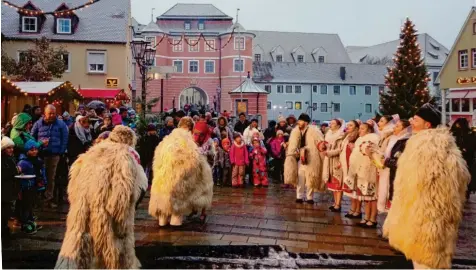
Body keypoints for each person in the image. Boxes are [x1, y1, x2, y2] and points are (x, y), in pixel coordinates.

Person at [383, 104, 470, 269]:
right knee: (424, 259)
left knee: (426, 261)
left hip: (426, 216)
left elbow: (425, 181)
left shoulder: (429, 146)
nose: (411, 122)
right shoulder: (429, 143)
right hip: (424, 215)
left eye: (415, 119)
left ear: (427, 124)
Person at [55, 126, 147, 269]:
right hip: (106, 218)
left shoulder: (89, 154)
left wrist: (78, 205)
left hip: (81, 213)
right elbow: (121, 197)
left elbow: (72, 188)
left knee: (79, 252)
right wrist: (121, 226)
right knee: (106, 257)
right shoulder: (124, 158)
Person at [149, 120, 213, 227]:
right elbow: (195, 162)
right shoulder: (189, 143)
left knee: (163, 200)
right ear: (190, 129)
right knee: (177, 203)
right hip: (180, 179)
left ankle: (162, 221)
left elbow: (156, 161)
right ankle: (175, 222)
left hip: (163, 178)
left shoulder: (165, 141)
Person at [31, 105, 68, 208]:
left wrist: (60, 151)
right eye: (50, 113)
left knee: (51, 177)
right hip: (40, 154)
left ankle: (49, 198)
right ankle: (39, 198)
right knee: (40, 176)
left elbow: (64, 139)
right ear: (45, 113)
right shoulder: (38, 123)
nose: (52, 115)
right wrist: (38, 145)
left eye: (53, 113)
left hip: (54, 154)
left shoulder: (61, 124)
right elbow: (32, 136)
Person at [344, 123, 379, 228]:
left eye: (362, 129)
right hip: (360, 170)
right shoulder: (360, 139)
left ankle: (372, 218)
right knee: (365, 197)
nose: (360, 130)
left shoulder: (374, 138)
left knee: (371, 197)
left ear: (369, 130)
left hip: (369, 170)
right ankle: (366, 217)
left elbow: (373, 154)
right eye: (360, 128)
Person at [285, 113, 325, 204]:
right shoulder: (296, 131)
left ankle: (309, 197)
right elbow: (294, 143)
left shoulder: (314, 131)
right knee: (300, 177)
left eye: (300, 121)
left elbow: (320, 142)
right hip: (300, 158)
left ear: (306, 122)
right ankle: (299, 196)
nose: (298, 122)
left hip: (312, 157)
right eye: (298, 121)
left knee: (311, 176)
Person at [373, 119, 411, 212]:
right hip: (386, 172)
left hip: (395, 175)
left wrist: (386, 161)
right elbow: (386, 153)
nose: (394, 128)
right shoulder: (393, 138)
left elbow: (400, 161)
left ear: (405, 129)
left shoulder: (405, 141)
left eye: (397, 126)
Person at [326, 120, 360, 218]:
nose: (348, 127)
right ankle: (353, 209)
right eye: (348, 125)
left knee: (354, 189)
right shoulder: (346, 137)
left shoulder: (356, 137)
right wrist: (340, 162)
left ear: (356, 127)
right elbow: (342, 150)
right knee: (350, 188)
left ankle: (356, 210)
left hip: (352, 165)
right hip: (345, 164)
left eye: (351, 125)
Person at [17, 140, 46, 235]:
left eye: (36, 149)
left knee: (30, 206)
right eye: (32, 150)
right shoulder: (24, 162)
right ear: (27, 151)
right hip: (25, 188)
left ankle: (30, 221)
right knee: (25, 206)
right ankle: (25, 224)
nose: (34, 151)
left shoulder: (37, 161)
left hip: (33, 186)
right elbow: (17, 171)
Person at [319, 119, 345, 212]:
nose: (330, 124)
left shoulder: (341, 135)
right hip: (328, 159)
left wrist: (329, 152)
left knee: (338, 182)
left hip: (336, 160)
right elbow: (326, 144)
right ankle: (335, 203)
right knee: (332, 183)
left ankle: (338, 204)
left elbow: (340, 149)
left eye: (333, 123)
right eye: (330, 123)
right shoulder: (328, 133)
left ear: (338, 125)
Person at [450, 118, 476, 199]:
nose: (457, 126)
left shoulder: (469, 134)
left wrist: (465, 149)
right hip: (458, 159)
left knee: (465, 177)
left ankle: (465, 192)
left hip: (466, 159)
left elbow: (472, 146)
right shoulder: (454, 133)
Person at [1, 137, 19, 247]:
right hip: (4, 191)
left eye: (12, 148)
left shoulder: (10, 159)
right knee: (4, 214)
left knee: (6, 214)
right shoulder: (3, 160)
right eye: (9, 148)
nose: (11, 150)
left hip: (8, 191)